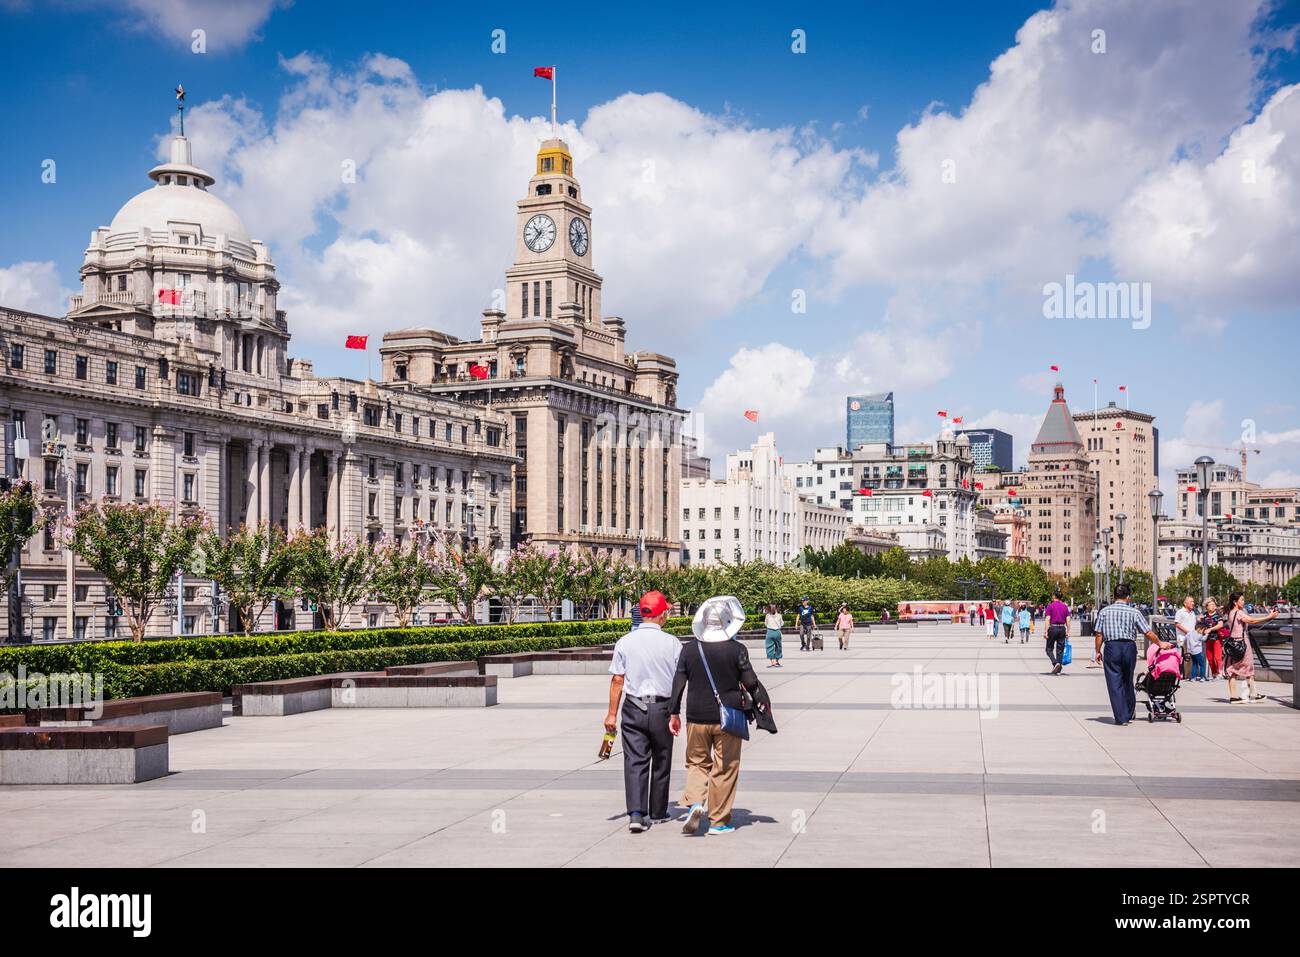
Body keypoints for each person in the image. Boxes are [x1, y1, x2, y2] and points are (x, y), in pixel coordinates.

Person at [670, 595, 772, 835]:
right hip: (729, 716)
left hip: (696, 716)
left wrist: (673, 712)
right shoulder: (737, 649)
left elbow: (678, 684)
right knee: (725, 768)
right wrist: (763, 707)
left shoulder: (689, 649)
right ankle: (719, 821)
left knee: (696, 763)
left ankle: (695, 803)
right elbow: (750, 682)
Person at [604, 590, 682, 833]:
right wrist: (676, 712)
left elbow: (618, 679)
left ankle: (637, 814)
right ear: (661, 615)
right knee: (661, 758)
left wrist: (611, 714)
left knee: (635, 760)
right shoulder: (673, 643)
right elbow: (679, 681)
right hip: (662, 707)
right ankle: (658, 811)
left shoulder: (625, 642)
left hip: (634, 706)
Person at [1093, 582, 1170, 725]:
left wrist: (1097, 651)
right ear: (1128, 597)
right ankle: (1128, 712)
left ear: (1114, 596)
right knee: (1127, 680)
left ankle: (1121, 716)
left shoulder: (1104, 611)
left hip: (1112, 647)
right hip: (1129, 647)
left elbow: (1099, 634)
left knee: (1114, 682)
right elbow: (1147, 632)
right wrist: (1160, 643)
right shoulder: (1134, 612)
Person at [1222, 591, 1277, 704]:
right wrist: (1269, 616)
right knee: (1249, 669)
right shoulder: (1239, 613)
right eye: (1241, 600)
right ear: (1235, 602)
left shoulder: (1230, 612)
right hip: (1242, 644)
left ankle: (1234, 697)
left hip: (1233, 645)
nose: (1243, 601)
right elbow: (1253, 620)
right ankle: (1254, 694)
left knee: (1233, 670)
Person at [1174, 596, 1205, 681]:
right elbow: (1177, 624)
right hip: (1182, 638)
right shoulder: (1180, 612)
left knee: (1190, 657)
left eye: (1193, 601)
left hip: (1191, 640)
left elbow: (1194, 624)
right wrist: (1188, 632)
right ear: (1185, 603)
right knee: (1182, 657)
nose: (1193, 603)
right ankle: (1181, 674)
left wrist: (1199, 619)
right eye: (1191, 601)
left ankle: (1189, 675)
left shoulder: (1193, 613)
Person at [1044, 591, 1071, 674]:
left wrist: (1045, 631)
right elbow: (1068, 620)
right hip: (1062, 628)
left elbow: (1047, 619)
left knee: (1049, 649)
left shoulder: (1050, 606)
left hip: (1053, 628)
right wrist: (1068, 631)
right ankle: (1058, 669)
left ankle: (1055, 663)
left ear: (1054, 596)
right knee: (1060, 649)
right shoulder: (1065, 607)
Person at [1200, 598, 1225, 680]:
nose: (1213, 606)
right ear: (1206, 606)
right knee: (1210, 658)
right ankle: (1214, 673)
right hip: (1207, 639)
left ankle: (1220, 673)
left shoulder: (1218, 615)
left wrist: (1210, 629)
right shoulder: (1204, 615)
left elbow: (1220, 625)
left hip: (1217, 638)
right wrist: (1199, 620)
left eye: (1214, 604)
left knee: (1218, 657)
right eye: (1211, 605)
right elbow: (1200, 626)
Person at [763, 603, 784, 668]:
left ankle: (772, 662)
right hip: (777, 632)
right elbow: (782, 624)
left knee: (769, 647)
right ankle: (777, 662)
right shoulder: (779, 615)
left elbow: (766, 623)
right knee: (778, 646)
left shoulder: (767, 615)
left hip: (770, 632)